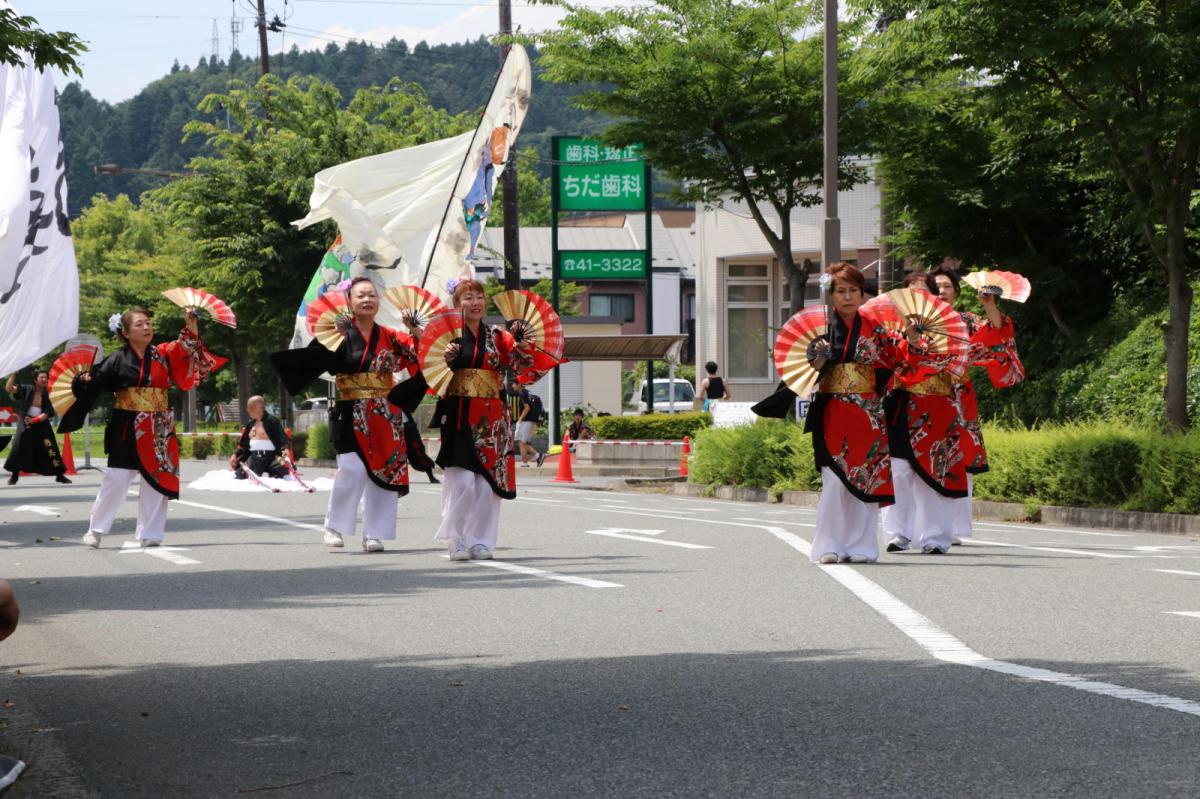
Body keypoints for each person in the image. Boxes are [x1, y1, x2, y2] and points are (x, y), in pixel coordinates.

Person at [272, 277, 421, 553]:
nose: (367, 300)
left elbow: (418, 356)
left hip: (386, 414)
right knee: (351, 470)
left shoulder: (390, 336)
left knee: (385, 472)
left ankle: (374, 533)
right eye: (361, 296)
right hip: (350, 411)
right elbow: (320, 361)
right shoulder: (338, 334)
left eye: (372, 295)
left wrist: (415, 332)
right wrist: (338, 338)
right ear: (349, 302)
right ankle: (334, 526)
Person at [62, 306, 218, 548]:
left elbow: (186, 347)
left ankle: (151, 534)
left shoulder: (163, 354)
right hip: (127, 425)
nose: (146, 327)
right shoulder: (117, 359)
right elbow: (97, 381)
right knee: (117, 478)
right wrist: (84, 380)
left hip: (159, 427)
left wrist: (191, 323)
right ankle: (96, 529)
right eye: (139, 324)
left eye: (148, 323)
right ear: (125, 333)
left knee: (156, 481)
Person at [804, 263, 925, 565]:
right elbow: (801, 372)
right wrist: (817, 362)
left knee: (865, 479)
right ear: (831, 295)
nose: (847, 297)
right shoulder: (820, 328)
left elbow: (902, 358)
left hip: (869, 413)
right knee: (833, 481)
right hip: (831, 411)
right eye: (841, 291)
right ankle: (828, 544)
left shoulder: (875, 328)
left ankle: (861, 545)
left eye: (853, 291)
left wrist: (910, 332)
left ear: (861, 293)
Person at [432, 278, 537, 561]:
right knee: (463, 480)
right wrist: (448, 358)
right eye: (467, 298)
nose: (475, 302)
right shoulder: (447, 337)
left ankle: (480, 540)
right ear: (456, 304)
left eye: (479, 296)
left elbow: (523, 364)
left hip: (492, 415)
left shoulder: (499, 337)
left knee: (487, 483)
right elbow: (430, 367)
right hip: (459, 412)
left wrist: (521, 340)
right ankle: (455, 539)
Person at [929, 265, 1025, 544]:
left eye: (947, 286)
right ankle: (918, 526)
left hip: (958, 396)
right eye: (937, 286)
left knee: (962, 458)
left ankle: (956, 526)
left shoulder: (967, 321)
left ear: (957, 293)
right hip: (923, 396)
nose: (942, 291)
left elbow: (998, 333)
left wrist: (989, 304)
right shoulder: (916, 323)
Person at [881, 272, 969, 555]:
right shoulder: (889, 328)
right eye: (910, 293)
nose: (916, 299)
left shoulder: (951, 328)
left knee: (936, 472)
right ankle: (898, 533)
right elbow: (888, 363)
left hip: (937, 407)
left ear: (933, 298)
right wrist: (908, 338)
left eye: (923, 293)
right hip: (901, 407)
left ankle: (935, 537)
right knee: (899, 472)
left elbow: (952, 366)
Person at [3, 369, 70, 485]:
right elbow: (9, 388)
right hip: (25, 423)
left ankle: (60, 475)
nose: (44, 379)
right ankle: (14, 475)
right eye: (41, 377)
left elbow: (47, 413)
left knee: (50, 447)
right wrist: (13, 375)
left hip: (41, 423)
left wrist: (34, 420)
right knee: (19, 447)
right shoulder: (26, 389)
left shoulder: (49, 393)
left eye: (46, 377)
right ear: (35, 380)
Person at [229, 395, 290, 480]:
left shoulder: (272, 421)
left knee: (285, 469)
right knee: (241, 476)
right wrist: (235, 455)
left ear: (254, 407)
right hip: (255, 457)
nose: (247, 410)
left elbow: (283, 438)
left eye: (248, 407)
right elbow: (243, 444)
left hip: (273, 456)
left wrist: (285, 449)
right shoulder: (251, 425)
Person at [511, 381, 545, 468]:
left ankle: (538, 455)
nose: (512, 385)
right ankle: (527, 462)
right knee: (522, 442)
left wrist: (520, 419)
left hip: (526, 421)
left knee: (522, 443)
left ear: (519, 384)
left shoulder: (522, 393)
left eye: (513, 384)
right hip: (530, 421)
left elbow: (527, 408)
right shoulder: (527, 392)